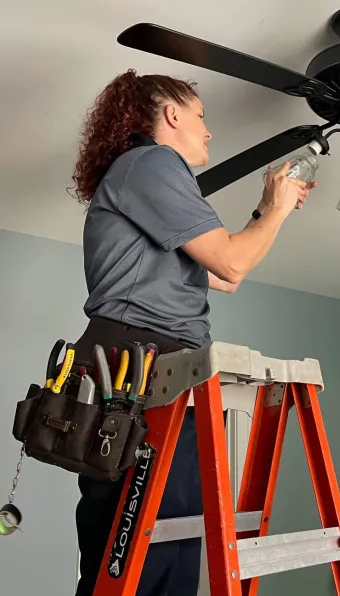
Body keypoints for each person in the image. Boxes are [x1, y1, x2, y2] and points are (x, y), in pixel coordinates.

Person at [68, 68, 316, 595]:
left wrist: (269, 213)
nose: (207, 131)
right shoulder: (153, 162)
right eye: (200, 118)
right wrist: (272, 210)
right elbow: (229, 263)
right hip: (143, 363)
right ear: (172, 115)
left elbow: (230, 275)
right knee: (145, 541)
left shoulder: (137, 182)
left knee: (138, 535)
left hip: (145, 364)